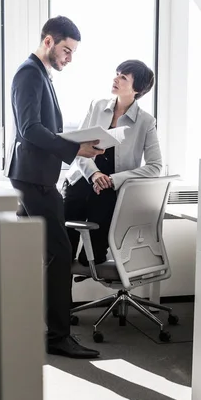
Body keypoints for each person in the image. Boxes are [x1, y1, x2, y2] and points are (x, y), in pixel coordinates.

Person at [5, 16, 104, 359]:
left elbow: (39, 129)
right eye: (66, 50)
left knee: (41, 255)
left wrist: (76, 143)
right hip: (33, 178)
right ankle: (58, 337)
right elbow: (29, 129)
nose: (69, 58)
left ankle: (39, 327)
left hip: (36, 176)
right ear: (48, 42)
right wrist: (75, 148)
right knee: (60, 253)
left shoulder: (40, 74)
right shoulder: (29, 73)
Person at [63, 60, 162, 266]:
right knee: (63, 252)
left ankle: (87, 262)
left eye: (123, 77)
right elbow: (77, 146)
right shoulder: (97, 106)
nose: (115, 79)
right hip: (80, 182)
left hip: (109, 191)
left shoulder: (146, 121)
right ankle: (62, 298)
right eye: (117, 74)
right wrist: (95, 174)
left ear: (137, 89)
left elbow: (155, 166)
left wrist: (114, 179)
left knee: (93, 256)